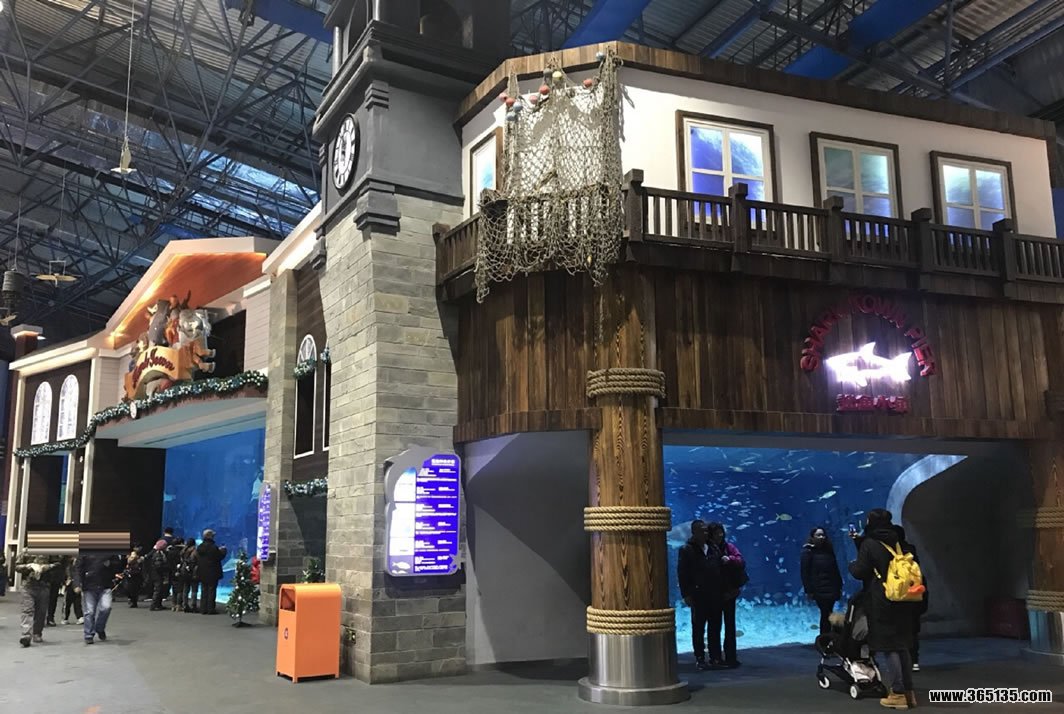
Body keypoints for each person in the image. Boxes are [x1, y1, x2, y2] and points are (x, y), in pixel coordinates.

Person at [849, 509, 918, 709]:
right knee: (902, 645)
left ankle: (897, 693)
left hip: (882, 599)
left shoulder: (870, 543)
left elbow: (861, 571)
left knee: (889, 647)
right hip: (903, 599)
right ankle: (909, 693)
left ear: (870, 522)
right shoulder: (899, 541)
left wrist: (852, 566)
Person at [706, 522, 745, 668]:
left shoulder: (729, 547)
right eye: (717, 533)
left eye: (721, 532)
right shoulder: (706, 549)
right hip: (713, 593)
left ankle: (731, 657)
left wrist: (730, 559)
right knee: (714, 626)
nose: (720, 535)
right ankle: (715, 657)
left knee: (730, 626)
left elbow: (741, 561)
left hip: (730, 592)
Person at [895, 525, 928, 672]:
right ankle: (914, 660)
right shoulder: (911, 551)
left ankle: (902, 662)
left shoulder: (892, 553)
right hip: (914, 595)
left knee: (898, 631)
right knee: (913, 631)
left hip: (899, 595)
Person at [75, 550, 124, 645]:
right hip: (89, 586)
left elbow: (119, 566)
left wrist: (111, 564)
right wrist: (77, 584)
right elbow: (78, 569)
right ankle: (89, 634)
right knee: (89, 612)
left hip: (105, 585)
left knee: (106, 608)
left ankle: (99, 628)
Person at [801, 526, 843, 636]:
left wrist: (839, 586)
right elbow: (805, 573)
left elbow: (835, 569)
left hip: (831, 587)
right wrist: (809, 590)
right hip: (818, 589)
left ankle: (830, 637)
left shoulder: (829, 550)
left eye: (823, 535)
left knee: (829, 612)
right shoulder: (807, 552)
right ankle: (825, 638)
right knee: (825, 613)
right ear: (812, 537)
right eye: (818, 535)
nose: (821, 537)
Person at [14, 552, 61, 647]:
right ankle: (26, 635)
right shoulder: (25, 552)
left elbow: (58, 564)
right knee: (27, 610)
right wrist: (29, 566)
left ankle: (37, 632)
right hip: (28, 586)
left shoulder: (51, 552)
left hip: (44, 586)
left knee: (41, 612)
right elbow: (17, 567)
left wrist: (47, 567)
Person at [196, 529, 227, 615]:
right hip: (212, 571)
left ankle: (203, 608)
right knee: (211, 590)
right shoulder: (213, 547)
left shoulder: (200, 547)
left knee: (204, 590)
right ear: (210, 536)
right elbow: (219, 557)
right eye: (213, 535)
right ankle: (210, 609)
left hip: (202, 571)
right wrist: (223, 551)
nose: (214, 536)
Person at [61, 556, 85, 625]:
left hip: (76, 582)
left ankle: (79, 616)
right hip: (68, 583)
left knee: (77, 601)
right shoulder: (66, 561)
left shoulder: (79, 561)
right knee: (67, 602)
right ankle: (65, 617)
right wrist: (64, 581)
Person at [148, 539, 170, 611]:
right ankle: (153, 605)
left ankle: (158, 604)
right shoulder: (158, 554)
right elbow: (158, 566)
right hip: (157, 574)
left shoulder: (160, 553)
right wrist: (166, 568)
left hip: (156, 574)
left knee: (160, 589)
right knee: (158, 589)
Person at [167, 538, 186, 612]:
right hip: (179, 572)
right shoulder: (181, 552)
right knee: (180, 590)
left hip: (171, 572)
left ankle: (173, 605)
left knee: (174, 589)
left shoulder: (169, 551)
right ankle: (179, 605)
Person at [181, 539, 199, 613]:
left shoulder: (183, 551)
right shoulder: (195, 551)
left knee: (185, 589)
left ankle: (185, 605)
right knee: (194, 590)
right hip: (193, 572)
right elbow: (198, 561)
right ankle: (193, 606)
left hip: (185, 572)